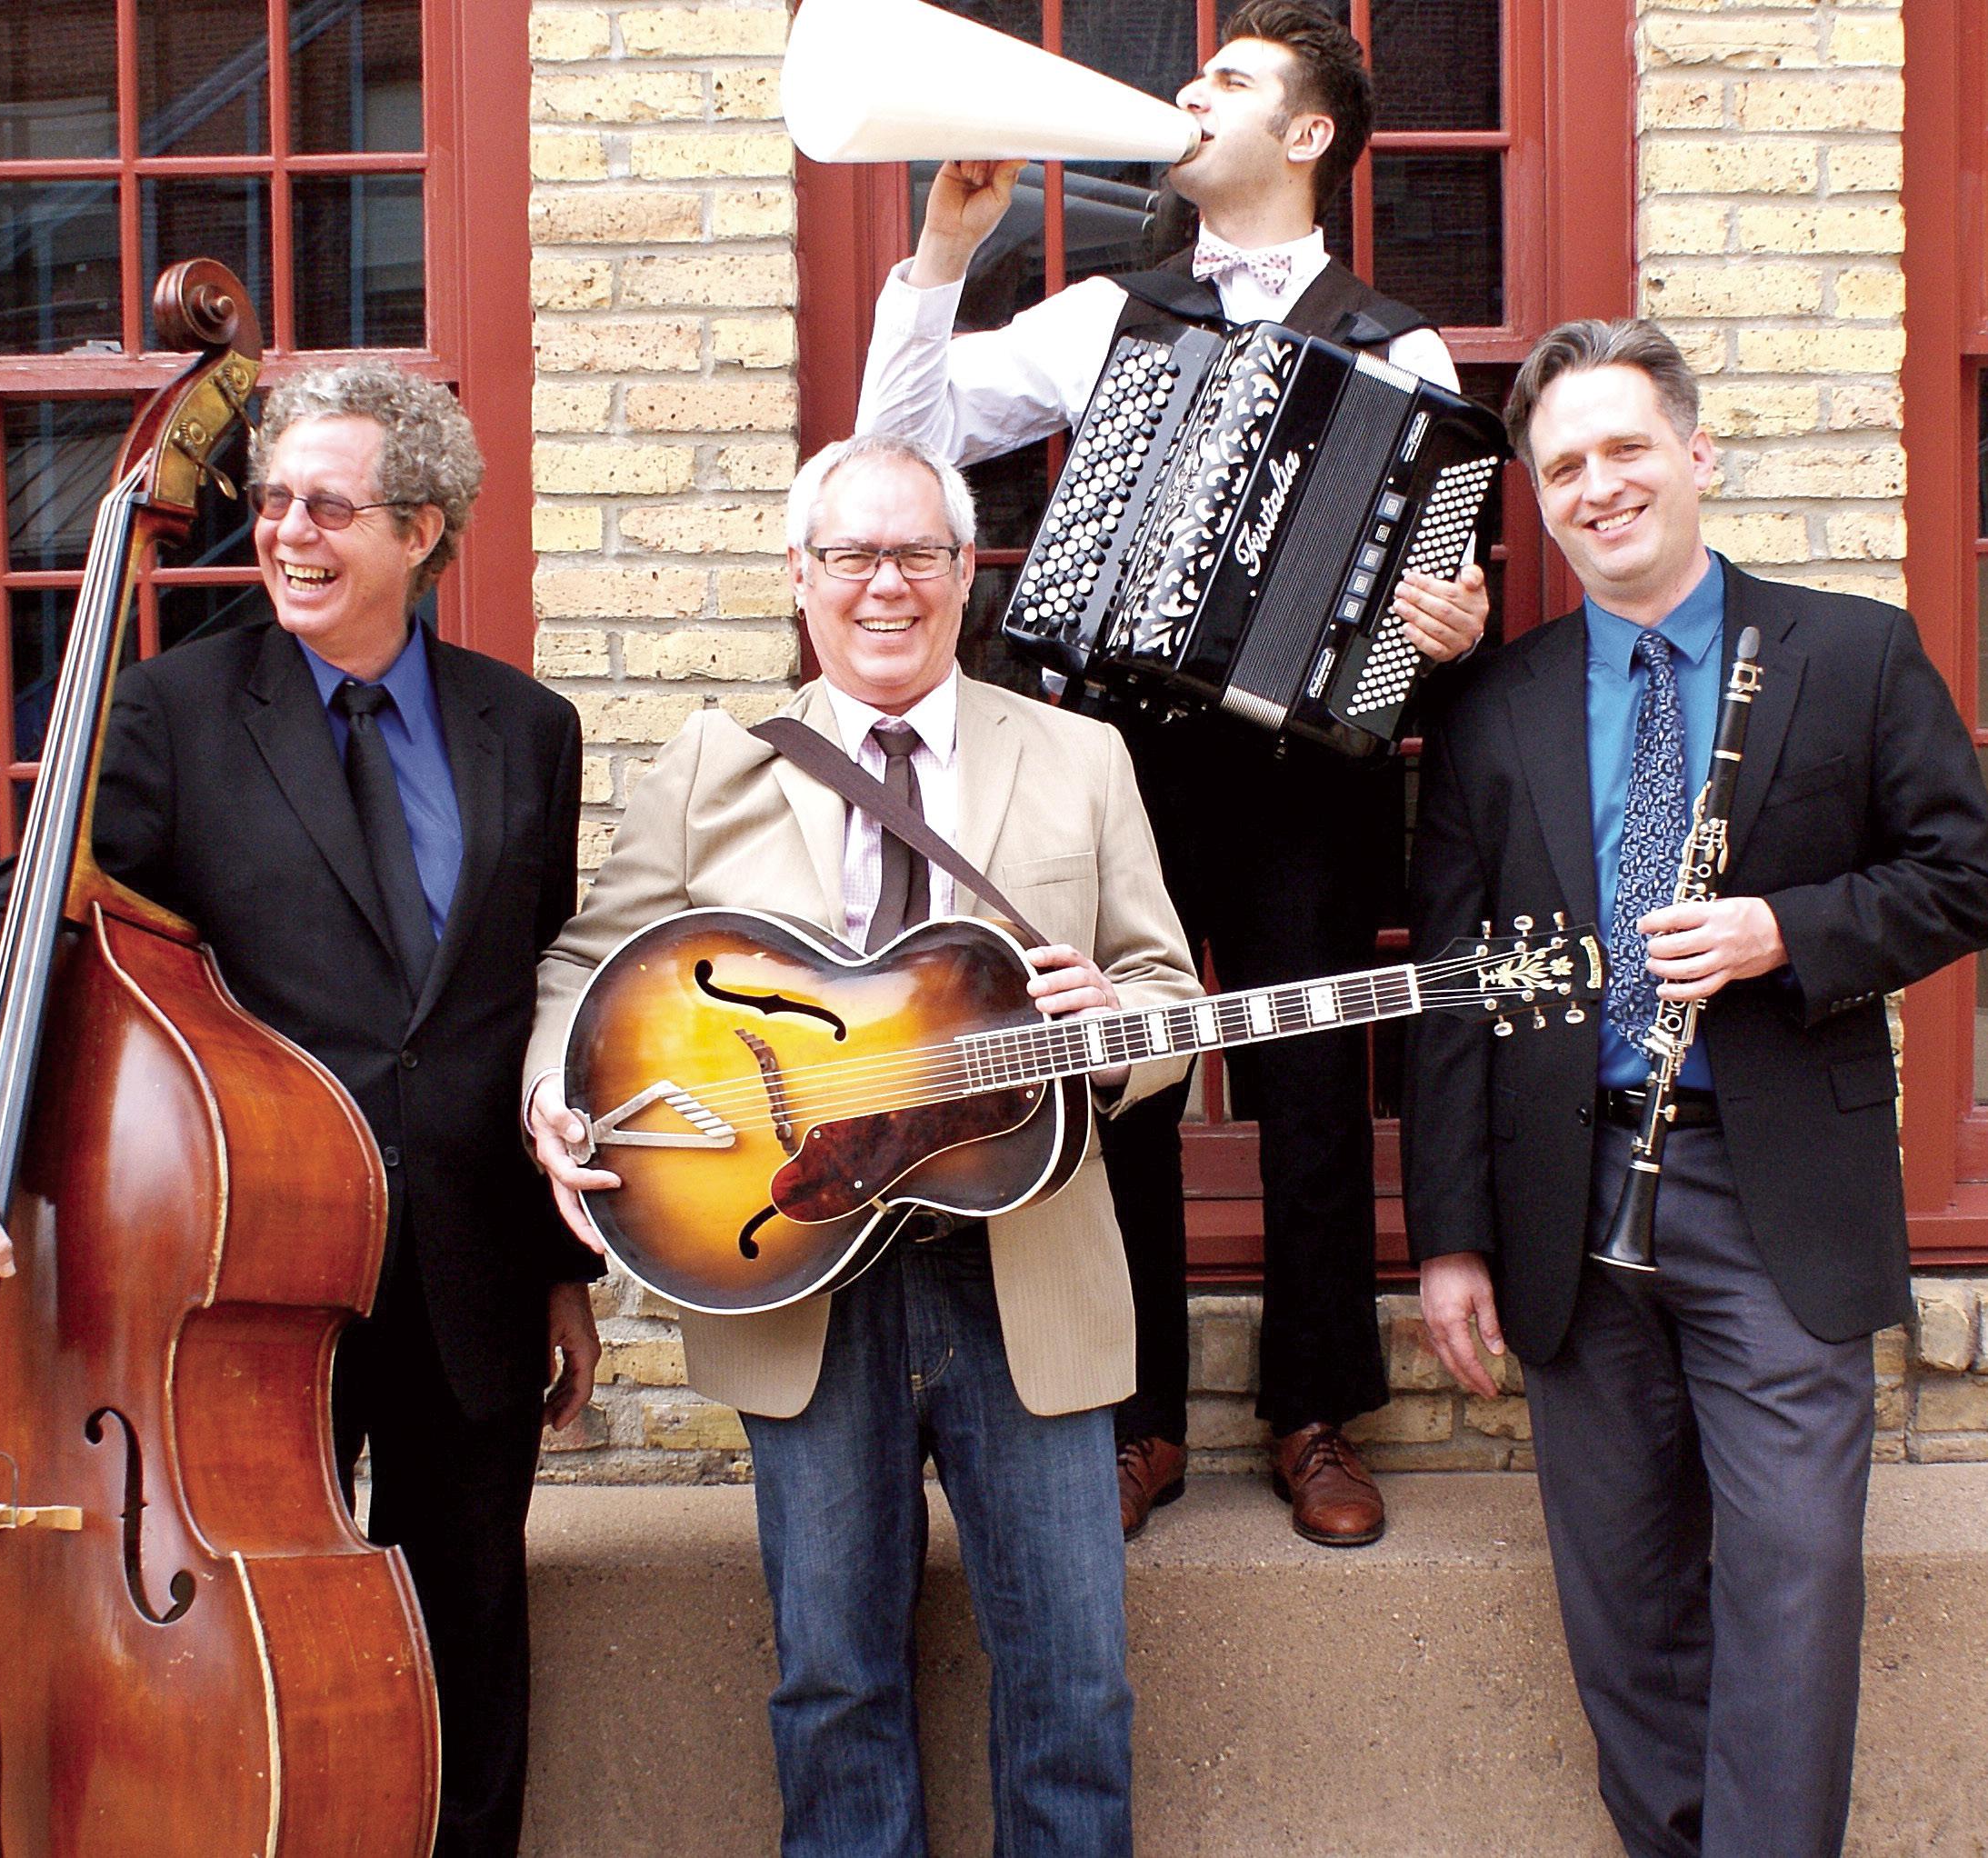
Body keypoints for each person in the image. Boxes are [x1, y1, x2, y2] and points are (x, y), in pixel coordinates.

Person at [0, 361, 599, 1858]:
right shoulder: (171, 712)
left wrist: (557, 1270)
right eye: (271, 502)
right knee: (235, 1654)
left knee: (467, 1645)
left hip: (466, 1270)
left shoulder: (525, 727)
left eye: (326, 507)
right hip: (237, 1288)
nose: (284, 533)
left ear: (420, 529)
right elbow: (8, 927)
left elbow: (528, 1000)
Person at [857, 0, 1492, 1544]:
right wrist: (941, 253)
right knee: (1117, 1078)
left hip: (1305, 772)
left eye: (1228, 82)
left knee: (1310, 1091)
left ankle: (1316, 1412)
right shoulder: (1103, 313)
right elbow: (904, 442)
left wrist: (1450, 623)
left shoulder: (1392, 343)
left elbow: (1422, 581)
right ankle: (1133, 1418)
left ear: (1307, 134)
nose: (1188, 99)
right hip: (1116, 756)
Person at [525, 433, 1201, 1855]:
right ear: (799, 574)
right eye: (849, 555)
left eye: (915, 555)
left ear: (965, 572)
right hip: (797, 1264)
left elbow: (1164, 991)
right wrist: (550, 1091)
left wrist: (1120, 1028)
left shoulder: (1078, 757)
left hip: (1022, 1265)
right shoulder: (712, 762)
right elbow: (587, 964)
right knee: (832, 1683)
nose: (882, 585)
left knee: (1072, 1680)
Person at [1403, 317, 1988, 1857]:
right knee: (1622, 1599)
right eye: (1563, 468)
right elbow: (1455, 986)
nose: (1598, 487)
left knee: (1792, 1577)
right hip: (1564, 1187)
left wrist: (1783, 930)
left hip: (1770, 1181)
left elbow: (1963, 873)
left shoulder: (1850, 651)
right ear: (1538, 500)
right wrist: (1448, 1234)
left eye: (1625, 448)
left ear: (1696, 453)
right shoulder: (1490, 704)